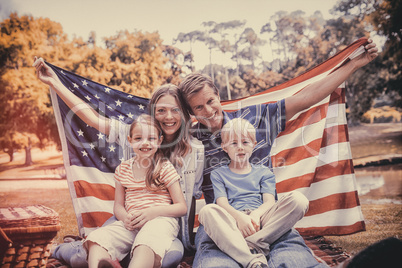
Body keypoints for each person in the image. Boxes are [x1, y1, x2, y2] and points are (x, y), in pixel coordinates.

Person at [177, 39, 378, 267]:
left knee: (294, 262)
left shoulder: (257, 118)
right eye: (198, 108)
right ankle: (247, 256)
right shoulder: (190, 142)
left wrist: (352, 65)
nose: (208, 111)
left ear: (217, 95)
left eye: (210, 101)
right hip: (223, 224)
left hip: (269, 219)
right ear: (190, 112)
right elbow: (155, 141)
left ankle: (259, 245)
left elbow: (306, 97)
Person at [33, 57, 204, 266]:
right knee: (81, 258)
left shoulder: (194, 150)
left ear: (184, 114)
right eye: (161, 110)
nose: (168, 116)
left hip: (163, 226)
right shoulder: (132, 133)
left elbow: (186, 203)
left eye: (175, 110)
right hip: (128, 222)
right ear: (152, 113)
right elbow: (93, 119)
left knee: (170, 257)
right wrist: (55, 83)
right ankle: (66, 248)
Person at [198, 118, 309, 268]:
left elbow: (269, 202)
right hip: (233, 220)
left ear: (254, 145)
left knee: (299, 200)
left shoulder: (264, 172)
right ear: (224, 147)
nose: (240, 148)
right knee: (207, 211)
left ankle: (254, 242)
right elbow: (221, 203)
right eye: (233, 143)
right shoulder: (218, 174)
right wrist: (240, 218)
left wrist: (256, 216)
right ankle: (252, 261)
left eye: (245, 142)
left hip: (262, 219)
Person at [83, 114, 187, 268]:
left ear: (159, 141)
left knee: (146, 242)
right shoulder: (122, 169)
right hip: (131, 224)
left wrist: (152, 212)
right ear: (129, 140)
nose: (145, 143)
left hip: (159, 221)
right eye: (138, 138)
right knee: (97, 238)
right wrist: (126, 218)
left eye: (151, 138)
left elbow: (181, 207)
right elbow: (118, 205)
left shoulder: (164, 167)